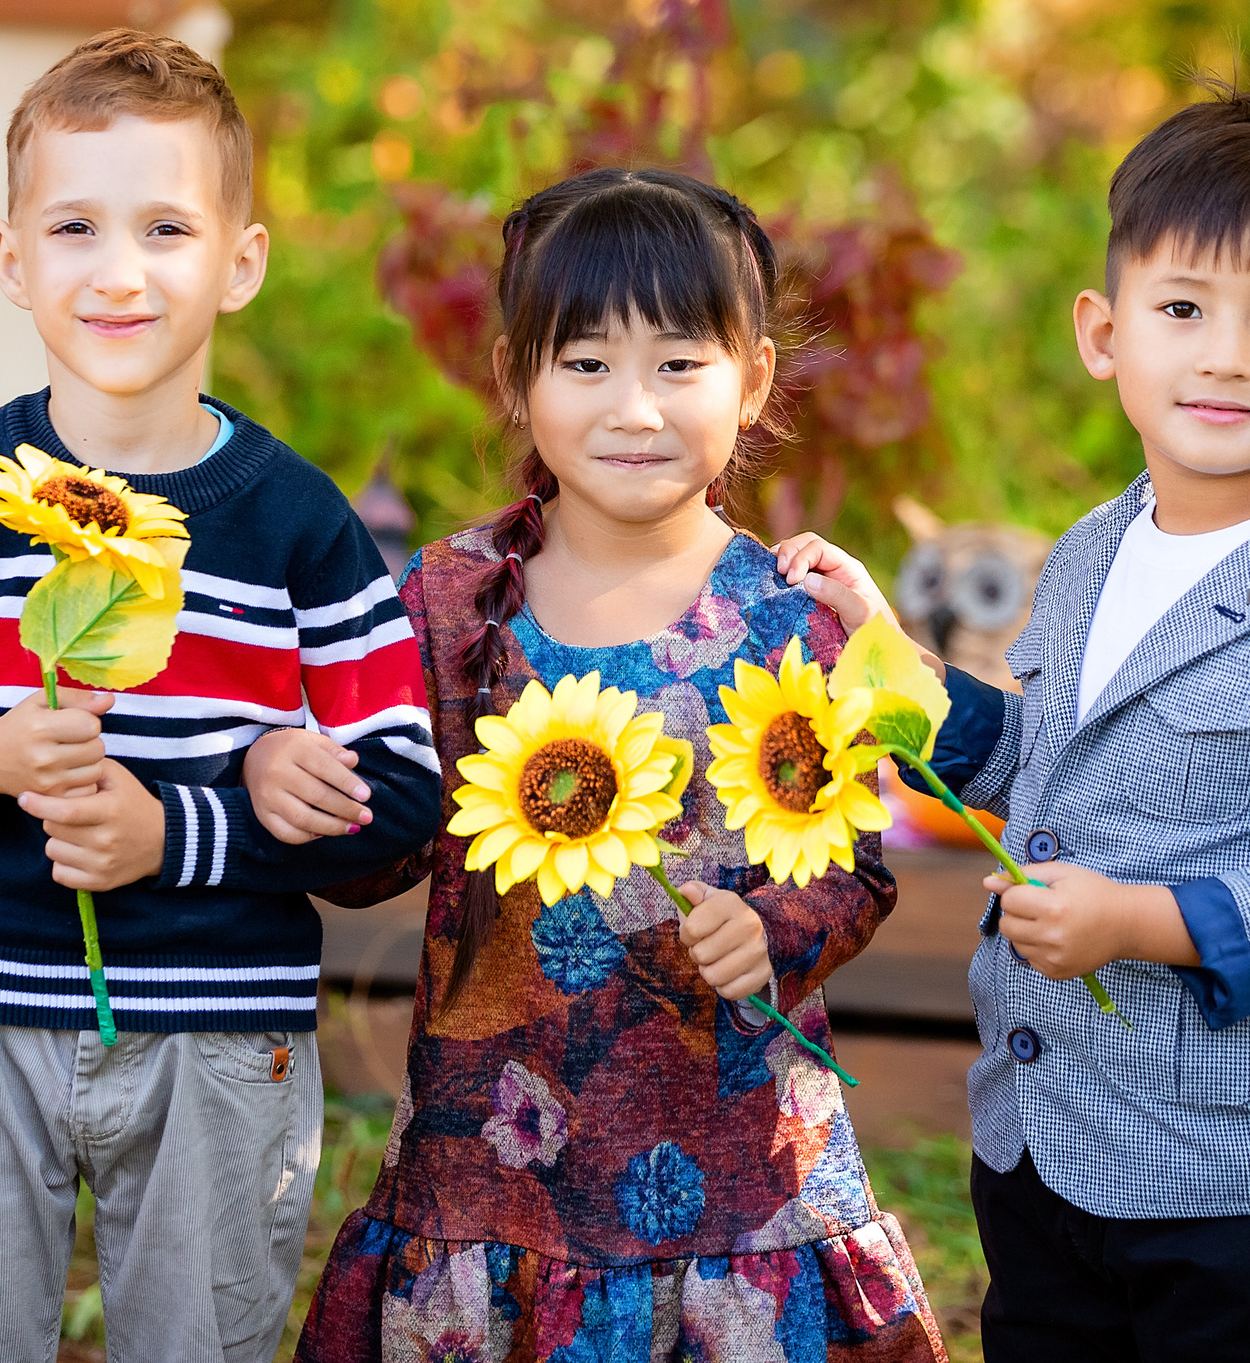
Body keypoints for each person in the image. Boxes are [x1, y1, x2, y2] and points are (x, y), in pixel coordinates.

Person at [787, 89, 1250, 1362]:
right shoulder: (1096, 548)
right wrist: (883, 658)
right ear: (1105, 332)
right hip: (1045, 1140)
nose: (1223, 356)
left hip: (1241, 1191)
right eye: (1183, 309)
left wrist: (1133, 923)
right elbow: (1042, 764)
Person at [250, 168, 946, 1363]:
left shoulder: (788, 618)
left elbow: (859, 868)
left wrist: (774, 928)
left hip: (737, 1163)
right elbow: (382, 846)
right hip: (496, 1157)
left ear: (755, 380)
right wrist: (295, 783)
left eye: (679, 364)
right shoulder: (449, 599)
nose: (634, 408)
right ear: (519, 377)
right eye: (586, 364)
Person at [0, 29, 441, 1363]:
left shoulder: (297, 524)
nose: (118, 270)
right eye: (73, 226)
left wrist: (182, 830)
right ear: (12, 258)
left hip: (219, 1028)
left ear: (240, 262)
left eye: (166, 226)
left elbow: (402, 795)